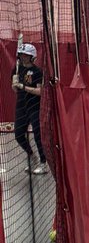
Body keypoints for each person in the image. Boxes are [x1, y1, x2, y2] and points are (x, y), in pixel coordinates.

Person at [12, 42, 48, 174]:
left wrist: (22, 86)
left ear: (32, 56)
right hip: (21, 106)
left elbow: (40, 91)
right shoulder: (16, 69)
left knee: (38, 135)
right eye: (21, 55)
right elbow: (15, 90)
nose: (23, 57)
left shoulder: (38, 72)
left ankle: (43, 163)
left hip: (35, 106)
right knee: (19, 135)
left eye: (26, 55)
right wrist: (14, 84)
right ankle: (33, 157)